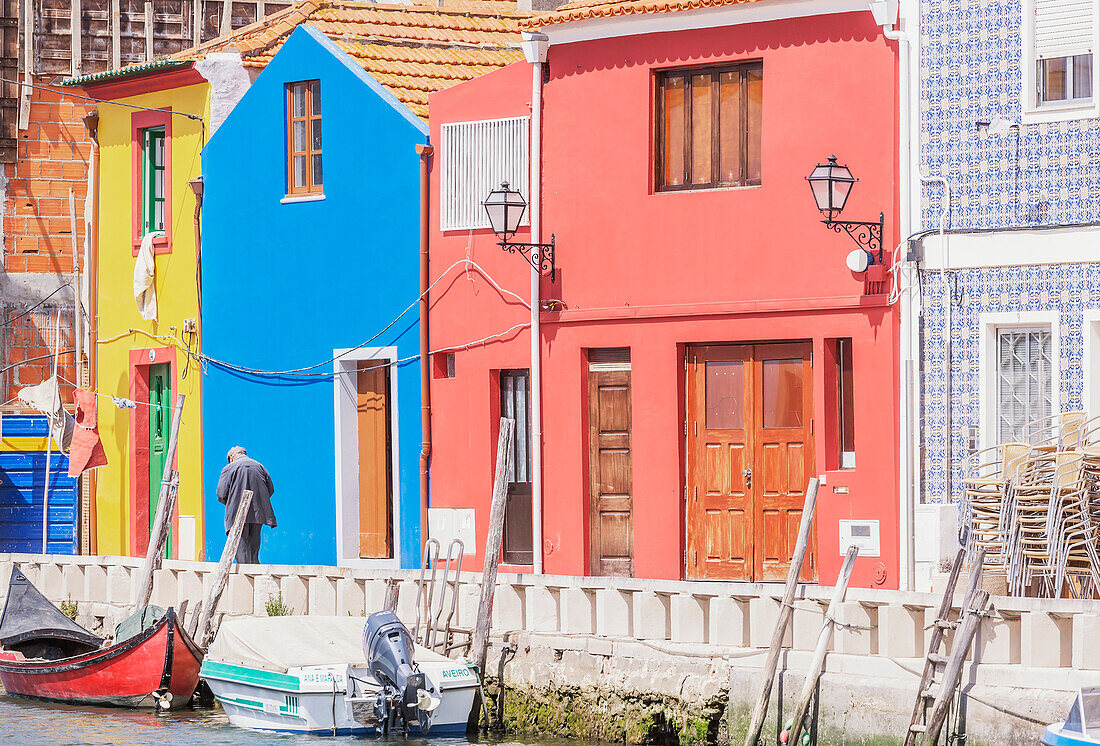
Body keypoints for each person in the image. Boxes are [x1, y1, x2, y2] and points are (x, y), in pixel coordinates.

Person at [216, 446, 276, 564]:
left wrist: (232, 503)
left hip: (236, 514)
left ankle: (245, 579)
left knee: (240, 550)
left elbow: (221, 494)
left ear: (231, 457)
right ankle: (255, 578)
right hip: (258, 514)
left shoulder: (229, 468)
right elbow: (270, 489)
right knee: (254, 550)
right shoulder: (260, 467)